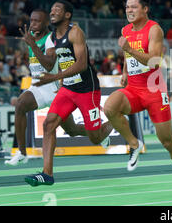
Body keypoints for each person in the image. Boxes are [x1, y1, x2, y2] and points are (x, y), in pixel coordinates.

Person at [103, 0, 172, 199]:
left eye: (134, 7)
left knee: (168, 142)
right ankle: (134, 143)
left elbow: (153, 59)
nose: (129, 10)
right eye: (127, 7)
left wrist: (129, 49)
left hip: (154, 91)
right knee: (109, 107)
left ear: (145, 8)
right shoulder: (126, 30)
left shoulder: (155, 30)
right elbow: (127, 55)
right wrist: (125, 71)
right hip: (133, 89)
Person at [24, 1, 113, 186]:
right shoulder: (52, 37)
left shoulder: (75, 32)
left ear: (67, 15)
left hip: (87, 90)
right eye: (51, 9)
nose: (52, 11)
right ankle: (47, 174)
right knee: (50, 124)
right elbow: (54, 62)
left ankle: (114, 120)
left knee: (95, 137)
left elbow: (81, 64)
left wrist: (55, 76)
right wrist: (33, 45)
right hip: (67, 89)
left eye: (57, 9)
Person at [6, 9, 108, 166]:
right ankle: (22, 152)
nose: (33, 24)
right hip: (38, 86)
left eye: (37, 21)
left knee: (72, 130)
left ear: (46, 23)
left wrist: (32, 45)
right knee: (20, 105)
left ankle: (100, 132)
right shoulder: (32, 36)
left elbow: (49, 64)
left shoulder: (51, 39)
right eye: (31, 20)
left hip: (53, 87)